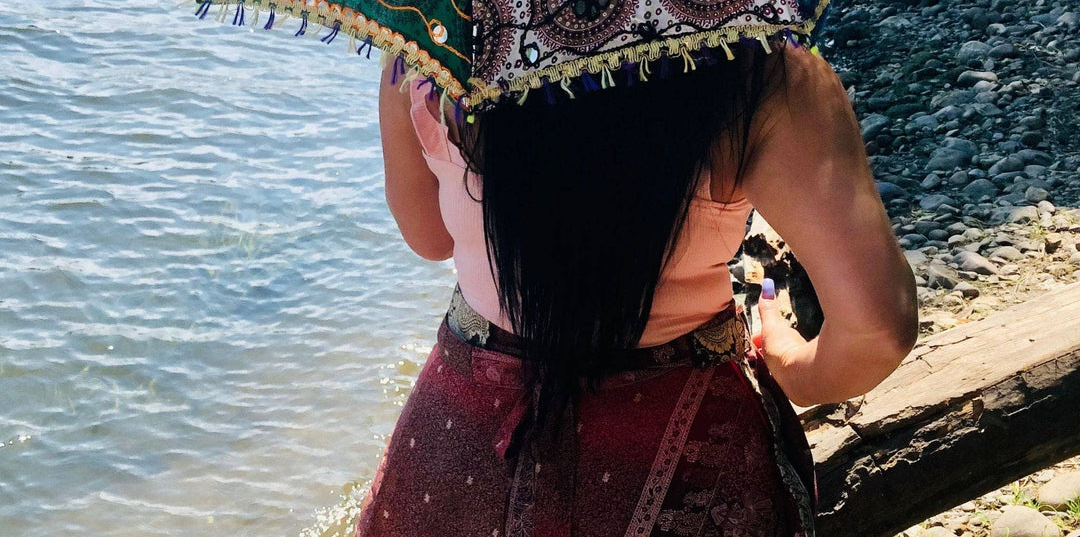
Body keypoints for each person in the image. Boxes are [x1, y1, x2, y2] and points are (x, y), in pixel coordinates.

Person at [359, 41, 918, 537]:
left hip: (458, 454)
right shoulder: (763, 68)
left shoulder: (424, 40)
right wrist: (798, 367)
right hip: (693, 461)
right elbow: (878, 329)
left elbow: (429, 236)